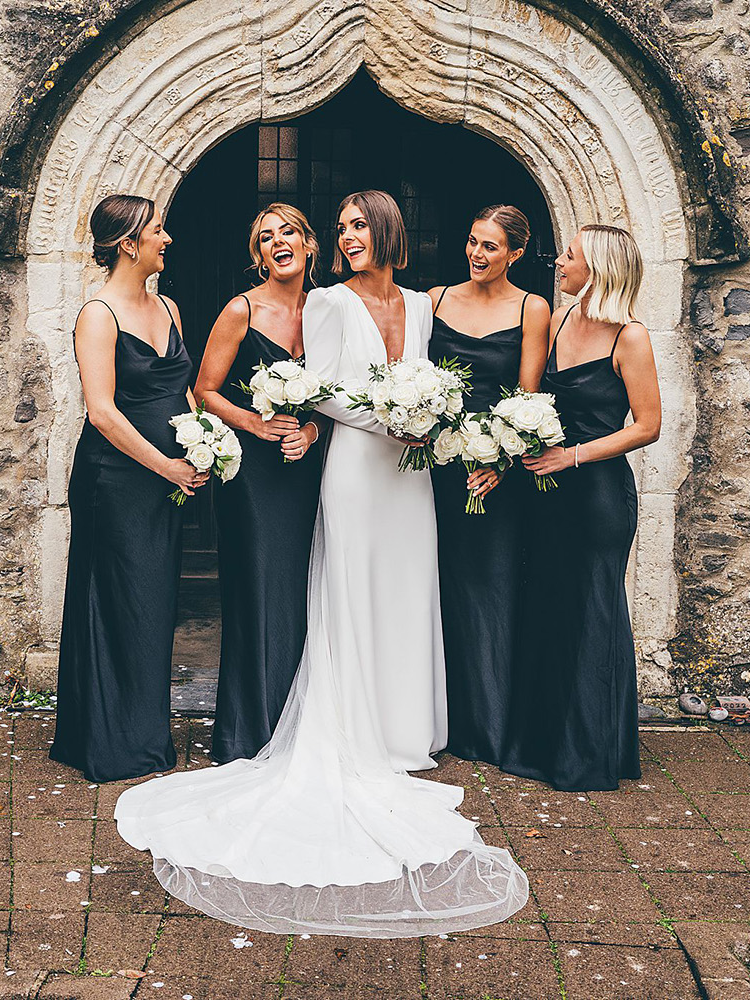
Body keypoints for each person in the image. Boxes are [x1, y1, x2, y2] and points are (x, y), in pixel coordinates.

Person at [114, 190, 527, 938]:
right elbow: (328, 393)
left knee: (408, 591)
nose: (347, 237)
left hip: (410, 473)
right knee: (352, 591)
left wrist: (428, 422)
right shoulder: (330, 302)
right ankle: (357, 730)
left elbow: (425, 375)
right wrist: (397, 419)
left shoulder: (423, 303)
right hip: (358, 467)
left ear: (389, 230)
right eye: (341, 229)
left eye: (357, 226)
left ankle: (408, 731)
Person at [48, 194, 207, 783]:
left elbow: (180, 389)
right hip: (115, 479)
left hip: (166, 477)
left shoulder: (170, 307)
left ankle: (147, 731)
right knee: (117, 597)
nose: (167, 239)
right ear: (128, 244)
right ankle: (108, 739)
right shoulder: (99, 316)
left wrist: (202, 440)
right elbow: (103, 413)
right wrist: (165, 467)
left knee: (155, 599)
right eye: (158, 231)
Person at [503, 224, 661, 792]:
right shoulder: (563, 318)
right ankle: (541, 745)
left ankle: (590, 753)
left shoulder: (631, 337)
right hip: (546, 493)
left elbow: (647, 426)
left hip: (596, 496)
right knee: (550, 608)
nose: (559, 260)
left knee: (594, 612)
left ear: (598, 267)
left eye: (569, 254)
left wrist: (572, 457)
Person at [194, 203, 326, 763]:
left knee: (306, 589)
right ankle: (247, 731)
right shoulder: (240, 311)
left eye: (288, 233)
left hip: (310, 471)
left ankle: (303, 724)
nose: (278, 243)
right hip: (253, 475)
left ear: (309, 244)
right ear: (258, 255)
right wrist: (255, 423)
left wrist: (313, 431)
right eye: (266, 238)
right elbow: (206, 389)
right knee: (257, 589)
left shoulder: (330, 311)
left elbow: (343, 396)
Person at [426, 205, 550, 766]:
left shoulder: (532, 308)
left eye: (491, 247)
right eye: (473, 242)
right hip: (432, 469)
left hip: (494, 474)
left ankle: (491, 725)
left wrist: (499, 462)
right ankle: (439, 721)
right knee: (438, 588)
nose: (477, 254)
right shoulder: (434, 301)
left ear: (516, 254)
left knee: (492, 591)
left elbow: (527, 399)